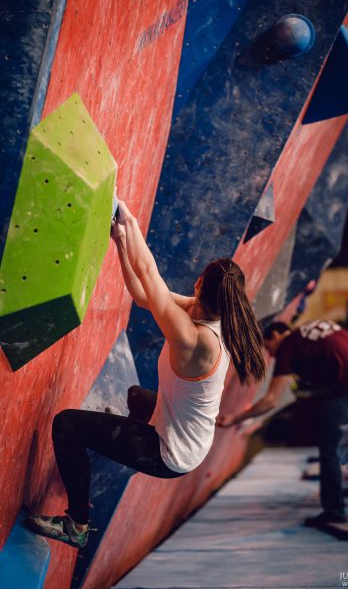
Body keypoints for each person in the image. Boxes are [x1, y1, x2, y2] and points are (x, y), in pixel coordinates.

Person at [25, 201, 265, 548]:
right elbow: (143, 295)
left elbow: (150, 274)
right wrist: (121, 241)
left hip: (170, 453)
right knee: (137, 395)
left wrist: (127, 218)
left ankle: (76, 525)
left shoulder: (194, 339)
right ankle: (106, 443)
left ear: (199, 282)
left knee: (65, 425)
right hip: (184, 428)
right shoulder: (201, 310)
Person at [217, 319, 348, 527]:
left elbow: (271, 400)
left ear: (277, 335)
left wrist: (235, 418)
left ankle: (334, 511)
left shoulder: (287, 346)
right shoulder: (313, 327)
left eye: (268, 346)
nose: (270, 353)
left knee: (330, 446)